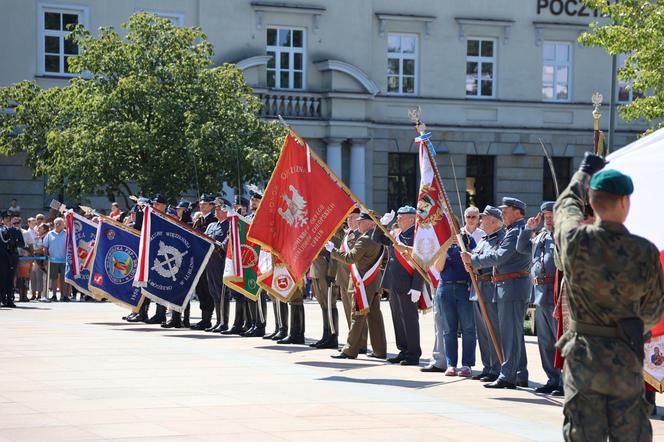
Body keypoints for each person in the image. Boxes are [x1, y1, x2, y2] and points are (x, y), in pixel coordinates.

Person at [554, 154, 664, 440]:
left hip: (583, 357)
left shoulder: (575, 241)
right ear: (625, 202)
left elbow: (564, 206)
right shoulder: (644, 251)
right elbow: (654, 311)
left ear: (591, 201)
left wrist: (584, 172)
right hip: (624, 357)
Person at [461, 197, 532, 389]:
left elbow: (500, 256)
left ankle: (510, 374)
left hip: (512, 286)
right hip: (506, 286)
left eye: (506, 211)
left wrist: (473, 260)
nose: (503, 214)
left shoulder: (516, 231)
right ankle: (511, 373)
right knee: (510, 334)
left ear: (517, 212)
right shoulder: (513, 231)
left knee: (510, 334)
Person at [517, 201, 563, 396]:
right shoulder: (541, 236)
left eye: (551, 215)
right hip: (539, 293)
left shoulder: (562, 236)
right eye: (545, 215)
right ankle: (552, 379)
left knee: (558, 340)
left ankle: (563, 382)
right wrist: (528, 229)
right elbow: (521, 248)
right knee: (544, 341)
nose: (548, 218)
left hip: (554, 293)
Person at [329, 212, 387, 360]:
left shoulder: (365, 240)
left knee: (357, 316)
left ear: (370, 223)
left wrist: (333, 251)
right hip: (374, 283)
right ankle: (379, 350)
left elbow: (350, 258)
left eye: (361, 222)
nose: (358, 224)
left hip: (362, 283)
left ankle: (350, 350)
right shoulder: (378, 238)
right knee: (375, 317)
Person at [375, 206, 424, 366]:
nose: (398, 219)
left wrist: (417, 286)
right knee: (398, 319)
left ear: (411, 219)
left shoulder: (417, 237)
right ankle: (403, 350)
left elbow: (420, 263)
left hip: (408, 284)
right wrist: (382, 225)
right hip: (394, 283)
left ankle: (413, 353)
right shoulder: (396, 234)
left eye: (401, 217)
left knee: (409, 320)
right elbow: (377, 239)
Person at [467, 206, 504, 382]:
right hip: (478, 287)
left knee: (492, 330)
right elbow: (474, 259)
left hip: (490, 286)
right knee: (482, 331)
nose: (481, 221)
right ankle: (487, 366)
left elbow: (491, 260)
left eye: (484, 218)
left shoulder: (501, 238)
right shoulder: (483, 239)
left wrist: (472, 260)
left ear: (493, 221)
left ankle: (497, 368)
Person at [435, 230, 477, 377]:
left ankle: (467, 364)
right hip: (445, 287)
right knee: (448, 329)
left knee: (468, 328)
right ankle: (451, 364)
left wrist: (462, 246)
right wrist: (445, 247)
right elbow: (438, 267)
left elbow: (474, 263)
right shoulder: (442, 242)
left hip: (464, 287)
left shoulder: (468, 240)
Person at [190, 194, 217, 330]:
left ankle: (208, 319)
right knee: (200, 289)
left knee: (208, 289)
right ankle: (203, 318)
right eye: (201, 204)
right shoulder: (198, 221)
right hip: (199, 259)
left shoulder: (214, 220)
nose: (202, 206)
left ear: (211, 206)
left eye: (205, 204)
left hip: (209, 260)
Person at [203, 197, 230, 333]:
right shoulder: (211, 225)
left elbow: (225, 245)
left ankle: (224, 322)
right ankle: (218, 321)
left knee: (222, 293)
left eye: (219, 208)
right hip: (210, 263)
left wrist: (217, 244)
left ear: (226, 211)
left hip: (221, 262)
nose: (216, 210)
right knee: (213, 292)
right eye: (216, 208)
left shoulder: (229, 225)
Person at [308, 248, 338, 349]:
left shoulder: (334, 233)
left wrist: (332, 273)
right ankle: (326, 335)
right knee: (323, 305)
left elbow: (335, 253)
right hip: (316, 269)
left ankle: (333, 336)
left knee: (330, 304)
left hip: (326, 271)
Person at [42, 217, 67, 302]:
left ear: (64, 225)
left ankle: (64, 296)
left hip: (64, 260)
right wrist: (45, 258)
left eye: (59, 223)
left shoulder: (67, 234)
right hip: (53, 260)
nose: (57, 225)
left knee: (64, 279)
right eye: (56, 223)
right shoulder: (50, 234)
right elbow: (45, 247)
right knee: (54, 279)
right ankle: (54, 295)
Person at [31, 223, 49, 302]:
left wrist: (34, 251)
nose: (38, 229)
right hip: (34, 258)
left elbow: (43, 249)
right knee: (33, 277)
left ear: (44, 230)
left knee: (40, 278)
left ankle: (39, 295)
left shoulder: (46, 237)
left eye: (40, 228)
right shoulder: (36, 236)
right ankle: (33, 295)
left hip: (41, 259)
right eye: (38, 228)